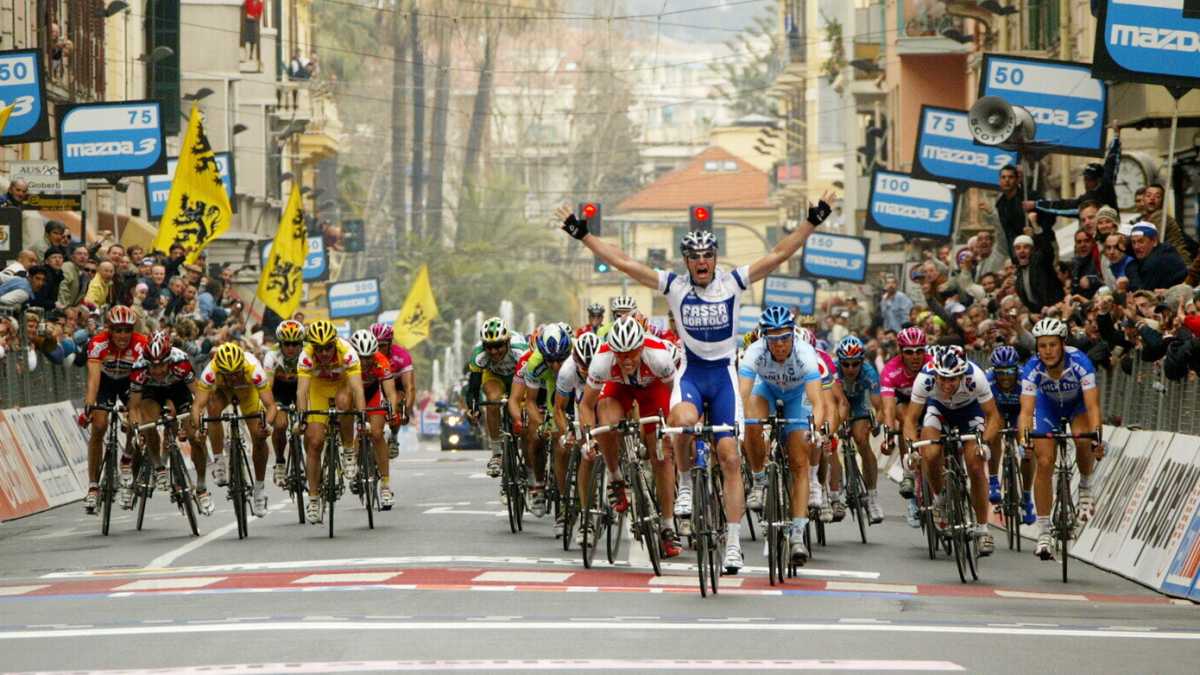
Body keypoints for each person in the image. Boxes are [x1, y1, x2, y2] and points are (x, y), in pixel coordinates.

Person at [557, 189, 836, 573]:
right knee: (682, 423)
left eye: (707, 256)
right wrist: (583, 234)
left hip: (723, 375)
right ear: (686, 261)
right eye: (695, 257)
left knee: (729, 457)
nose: (701, 262)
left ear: (715, 259)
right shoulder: (675, 286)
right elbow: (624, 263)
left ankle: (734, 544)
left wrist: (813, 221)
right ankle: (686, 482)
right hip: (691, 375)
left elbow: (777, 254)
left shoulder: (733, 283)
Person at [578, 316, 681, 558]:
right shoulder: (602, 360)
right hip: (619, 389)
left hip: (654, 389)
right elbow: (586, 405)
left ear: (641, 347)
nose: (626, 360)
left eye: (632, 353)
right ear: (612, 351)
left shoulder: (659, 357)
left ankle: (668, 527)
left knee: (662, 456)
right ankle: (615, 477)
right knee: (606, 419)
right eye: (620, 354)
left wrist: (670, 431)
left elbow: (676, 397)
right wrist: (588, 439)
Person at [737, 305, 826, 565]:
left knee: (799, 462)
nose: (779, 345)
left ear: (792, 335)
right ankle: (758, 479)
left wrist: (816, 430)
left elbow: (817, 401)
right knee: (751, 419)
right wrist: (741, 424)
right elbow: (743, 394)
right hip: (767, 391)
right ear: (764, 337)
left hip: (796, 398)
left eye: (785, 338)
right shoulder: (754, 352)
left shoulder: (805, 354)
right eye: (773, 339)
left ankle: (798, 533)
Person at [904, 346, 1003, 557]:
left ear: (962, 375)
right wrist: (911, 447)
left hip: (970, 412)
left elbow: (993, 417)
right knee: (929, 454)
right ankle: (940, 498)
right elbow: (911, 419)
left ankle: (983, 529)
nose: (946, 384)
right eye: (942, 379)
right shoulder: (925, 378)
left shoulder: (975, 377)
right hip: (938, 411)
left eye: (952, 380)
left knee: (975, 465)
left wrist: (984, 443)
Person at [1019, 318, 1104, 561]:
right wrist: (1024, 440)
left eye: (1052, 345)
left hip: (1077, 406)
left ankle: (1086, 485)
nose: (1047, 351)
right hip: (1048, 408)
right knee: (1044, 461)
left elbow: (1093, 406)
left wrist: (1098, 437)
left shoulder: (1081, 363)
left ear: (1063, 344)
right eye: (1042, 346)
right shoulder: (1032, 367)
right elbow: (1025, 412)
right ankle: (1044, 531)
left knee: (1083, 441)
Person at [128, 331, 213, 515]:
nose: (158, 371)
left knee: (195, 438)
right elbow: (134, 407)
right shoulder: (139, 367)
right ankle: (159, 467)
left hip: (177, 389)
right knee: (148, 423)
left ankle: (201, 487)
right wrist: (136, 430)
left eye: (162, 365)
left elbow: (198, 395)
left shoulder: (180, 361)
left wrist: (198, 421)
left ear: (169, 359)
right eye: (154, 366)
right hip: (151, 392)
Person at [192, 341, 276, 517]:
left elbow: (271, 406)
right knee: (212, 407)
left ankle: (259, 490)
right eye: (227, 374)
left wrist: (266, 425)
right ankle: (219, 461)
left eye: (236, 373)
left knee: (259, 437)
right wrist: (199, 427)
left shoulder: (253, 368)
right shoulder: (211, 371)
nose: (232, 378)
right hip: (222, 393)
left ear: (242, 367)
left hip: (248, 394)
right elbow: (198, 406)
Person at [78, 306, 149, 514]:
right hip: (105, 383)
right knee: (99, 426)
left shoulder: (140, 344)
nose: (123, 335)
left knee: (136, 425)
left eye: (127, 330)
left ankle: (127, 457)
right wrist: (89, 406)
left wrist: (135, 409)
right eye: (118, 330)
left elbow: (142, 382)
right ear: (109, 329)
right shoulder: (98, 343)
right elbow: (93, 380)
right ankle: (93, 486)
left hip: (130, 383)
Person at [295, 319, 367, 523]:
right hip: (318, 390)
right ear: (313, 347)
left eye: (328, 348)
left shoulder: (347, 352)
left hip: (341, 386)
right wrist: (302, 418)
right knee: (315, 442)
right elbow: (301, 392)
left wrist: (361, 418)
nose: (325, 353)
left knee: (345, 403)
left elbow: (358, 389)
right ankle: (314, 499)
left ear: (334, 344)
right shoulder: (306, 356)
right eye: (320, 348)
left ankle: (348, 450)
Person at [511, 323, 571, 524]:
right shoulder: (533, 363)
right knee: (536, 436)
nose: (556, 365)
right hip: (542, 393)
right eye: (551, 360)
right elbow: (529, 401)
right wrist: (542, 425)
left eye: (560, 359)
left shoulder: (575, 358)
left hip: (568, 390)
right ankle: (537, 485)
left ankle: (570, 497)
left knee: (566, 439)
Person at [879, 326, 932, 527]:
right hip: (903, 403)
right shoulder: (891, 371)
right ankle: (909, 476)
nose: (915, 356)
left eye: (920, 350)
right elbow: (888, 409)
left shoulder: (932, 364)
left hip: (929, 402)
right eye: (909, 352)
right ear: (901, 352)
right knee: (905, 419)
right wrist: (888, 436)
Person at [464, 317, 529, 478]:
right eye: (489, 347)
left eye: (498, 346)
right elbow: (473, 388)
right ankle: (497, 454)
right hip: (494, 377)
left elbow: (533, 381)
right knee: (492, 400)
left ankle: (529, 454)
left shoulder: (520, 350)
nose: (493, 351)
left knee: (525, 406)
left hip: (518, 377)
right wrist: (473, 409)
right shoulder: (479, 355)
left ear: (507, 341)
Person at [349, 329, 402, 509]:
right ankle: (354, 464)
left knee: (377, 433)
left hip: (371, 394)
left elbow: (391, 393)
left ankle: (386, 486)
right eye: (360, 357)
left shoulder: (381, 361)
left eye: (368, 357)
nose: (364, 362)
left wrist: (393, 412)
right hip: (351, 394)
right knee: (357, 427)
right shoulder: (347, 360)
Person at [833, 335, 884, 524]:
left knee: (862, 440)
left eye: (855, 364)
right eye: (846, 364)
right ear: (840, 362)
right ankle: (833, 493)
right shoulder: (834, 370)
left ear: (862, 361)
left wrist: (876, 423)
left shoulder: (869, 373)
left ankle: (872, 497)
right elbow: (835, 402)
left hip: (859, 404)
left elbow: (879, 408)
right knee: (830, 441)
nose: (851, 369)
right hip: (838, 402)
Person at [984, 345, 1035, 526]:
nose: (1005, 376)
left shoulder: (1025, 379)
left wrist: (1024, 440)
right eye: (1001, 372)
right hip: (996, 410)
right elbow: (985, 412)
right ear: (994, 370)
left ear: (1016, 369)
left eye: (1009, 371)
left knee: (1029, 447)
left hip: (1019, 411)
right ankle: (993, 482)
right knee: (994, 432)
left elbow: (1029, 411)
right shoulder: (987, 380)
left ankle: (1027, 498)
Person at [264, 320, 304, 488]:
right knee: (280, 425)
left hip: (302, 387)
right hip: (280, 390)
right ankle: (280, 462)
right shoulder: (271, 356)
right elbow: (268, 387)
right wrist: (273, 408)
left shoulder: (307, 354)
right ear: (280, 343)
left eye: (295, 344)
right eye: (287, 344)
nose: (291, 348)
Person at [1125, 222, 1188, 292]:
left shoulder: (1157, 261)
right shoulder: (1161, 252)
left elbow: (1142, 294)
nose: (1136, 247)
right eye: (1133, 242)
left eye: (1141, 241)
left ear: (1154, 241)